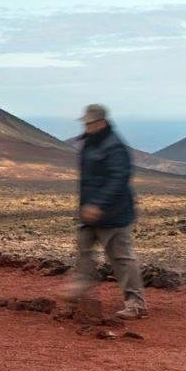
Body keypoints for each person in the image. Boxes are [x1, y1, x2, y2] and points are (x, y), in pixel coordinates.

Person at [71, 103, 145, 319]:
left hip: (113, 213)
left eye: (89, 123)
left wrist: (98, 205)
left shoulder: (114, 147)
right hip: (91, 212)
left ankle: (137, 304)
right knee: (84, 248)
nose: (86, 126)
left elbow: (118, 179)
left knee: (121, 258)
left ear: (101, 122)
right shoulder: (90, 143)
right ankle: (81, 287)